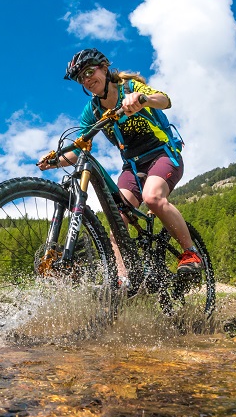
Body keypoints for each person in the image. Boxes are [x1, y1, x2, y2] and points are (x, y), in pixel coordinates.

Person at [37, 47, 202, 276]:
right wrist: (55, 160)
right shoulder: (93, 110)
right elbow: (80, 147)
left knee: (152, 197)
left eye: (88, 72)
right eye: (80, 78)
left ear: (104, 68)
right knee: (117, 220)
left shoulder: (129, 87)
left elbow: (164, 100)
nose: (86, 80)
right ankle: (122, 279)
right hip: (132, 167)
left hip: (162, 154)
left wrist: (142, 99)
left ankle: (190, 253)